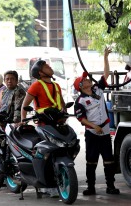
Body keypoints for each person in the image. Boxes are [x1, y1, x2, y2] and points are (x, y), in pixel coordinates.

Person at [73, 47, 120, 196]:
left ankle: (110, 186)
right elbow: (81, 119)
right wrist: (94, 126)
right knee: (91, 162)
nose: (87, 79)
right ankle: (91, 187)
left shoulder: (98, 89)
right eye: (84, 80)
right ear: (81, 86)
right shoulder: (80, 101)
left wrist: (105, 57)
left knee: (109, 160)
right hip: (92, 133)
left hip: (105, 131)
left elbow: (106, 74)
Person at [20, 59, 65, 198]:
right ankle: (46, 184)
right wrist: (23, 121)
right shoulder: (36, 86)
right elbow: (25, 105)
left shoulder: (57, 85)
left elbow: (62, 103)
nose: (50, 67)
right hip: (43, 124)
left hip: (57, 123)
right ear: (40, 72)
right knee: (46, 154)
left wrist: (64, 114)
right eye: (46, 66)